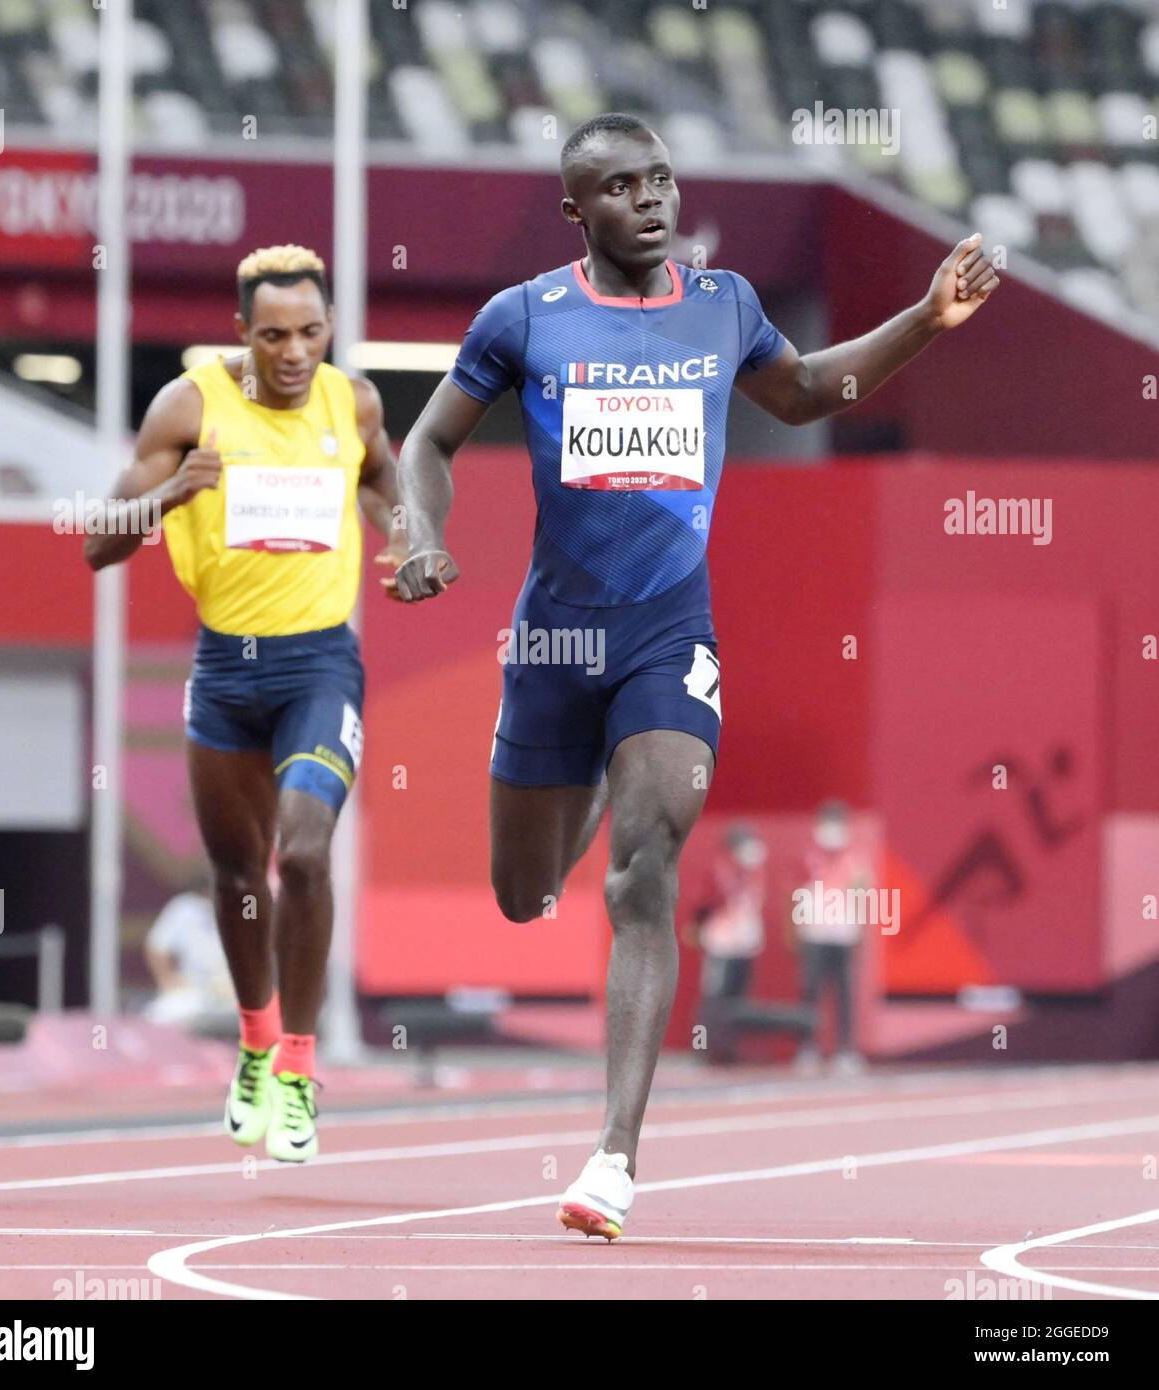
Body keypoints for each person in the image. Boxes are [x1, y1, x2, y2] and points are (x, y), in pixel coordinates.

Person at [393, 112, 998, 1238]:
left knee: (647, 868)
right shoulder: (522, 317)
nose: (651, 199)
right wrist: (422, 537)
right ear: (579, 212)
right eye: (620, 187)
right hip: (551, 643)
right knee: (523, 895)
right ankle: (567, 797)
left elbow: (809, 391)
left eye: (661, 178)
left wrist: (923, 318)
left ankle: (613, 1157)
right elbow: (425, 444)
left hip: (671, 634)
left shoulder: (724, 307)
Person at [84, 244, 405, 1162]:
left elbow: (380, 475)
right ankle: (257, 1041)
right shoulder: (189, 407)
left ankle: (299, 1070)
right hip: (225, 671)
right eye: (274, 337)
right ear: (241, 335)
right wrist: (171, 494)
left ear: (329, 328)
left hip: (319, 667)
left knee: (303, 854)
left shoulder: (355, 401)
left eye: (311, 332)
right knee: (235, 876)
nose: (295, 353)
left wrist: (406, 532)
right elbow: (96, 547)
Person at [792, 801, 873, 1076]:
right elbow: (794, 894)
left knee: (844, 995)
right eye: (826, 823)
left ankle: (845, 1051)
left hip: (842, 934)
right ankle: (807, 1048)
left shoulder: (855, 859)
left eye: (836, 824)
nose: (831, 831)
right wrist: (795, 929)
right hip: (814, 932)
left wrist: (861, 931)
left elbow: (862, 894)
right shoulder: (808, 857)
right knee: (810, 992)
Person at [688, 822, 767, 1063]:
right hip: (721, 944)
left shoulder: (752, 874)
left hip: (743, 946)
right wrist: (698, 928)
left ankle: (728, 1048)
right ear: (734, 848)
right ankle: (701, 1047)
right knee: (714, 997)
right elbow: (702, 904)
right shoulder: (718, 871)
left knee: (737, 999)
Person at [142, 874, 234, 1028]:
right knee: (162, 1014)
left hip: (232, 996)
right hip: (193, 991)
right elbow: (156, 947)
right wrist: (167, 980)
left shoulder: (245, 909)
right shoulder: (185, 909)